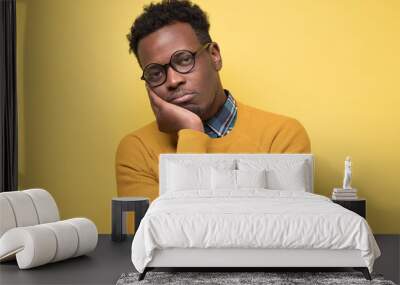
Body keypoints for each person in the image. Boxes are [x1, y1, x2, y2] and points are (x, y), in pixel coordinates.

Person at [116, 0, 311, 200]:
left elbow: (283, 226)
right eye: (155, 73)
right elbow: (162, 229)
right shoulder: (137, 149)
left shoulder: (280, 136)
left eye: (184, 60)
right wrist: (191, 130)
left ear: (214, 56)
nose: (173, 81)